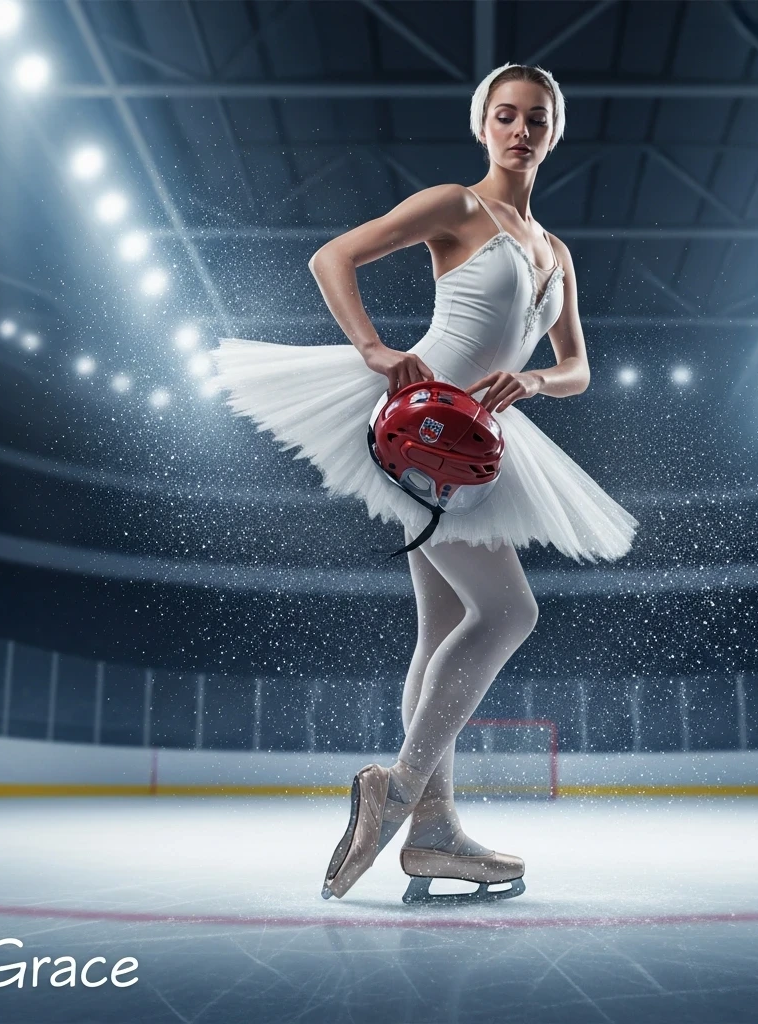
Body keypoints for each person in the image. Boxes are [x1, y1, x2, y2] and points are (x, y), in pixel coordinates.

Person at [211, 63, 639, 904]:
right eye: (507, 115)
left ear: (555, 132)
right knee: (510, 611)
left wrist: (538, 384)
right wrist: (374, 350)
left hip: (480, 442)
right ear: (484, 125)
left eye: (538, 118)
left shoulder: (556, 253)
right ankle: (402, 788)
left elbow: (578, 365)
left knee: (444, 622)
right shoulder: (457, 205)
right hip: (423, 424)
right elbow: (332, 257)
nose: (522, 129)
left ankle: (434, 831)